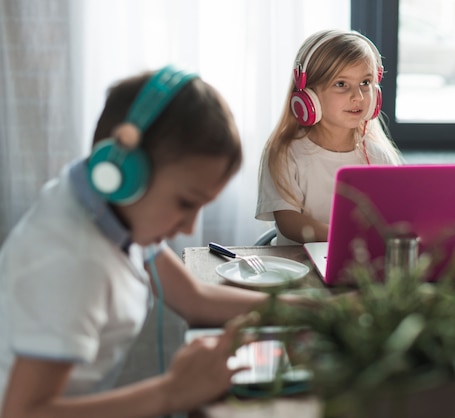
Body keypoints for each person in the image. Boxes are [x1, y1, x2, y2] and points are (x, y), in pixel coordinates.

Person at [0, 66, 301, 417]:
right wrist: (171, 392)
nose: (189, 228)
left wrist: (312, 309)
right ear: (126, 171)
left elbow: (194, 298)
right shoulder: (74, 261)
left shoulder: (108, 207)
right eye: (185, 203)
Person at [256, 29, 403, 245]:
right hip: (299, 267)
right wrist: (344, 236)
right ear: (308, 96)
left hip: (358, 266)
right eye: (341, 84)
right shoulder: (285, 152)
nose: (358, 96)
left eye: (365, 82)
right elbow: (288, 221)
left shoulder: (377, 155)